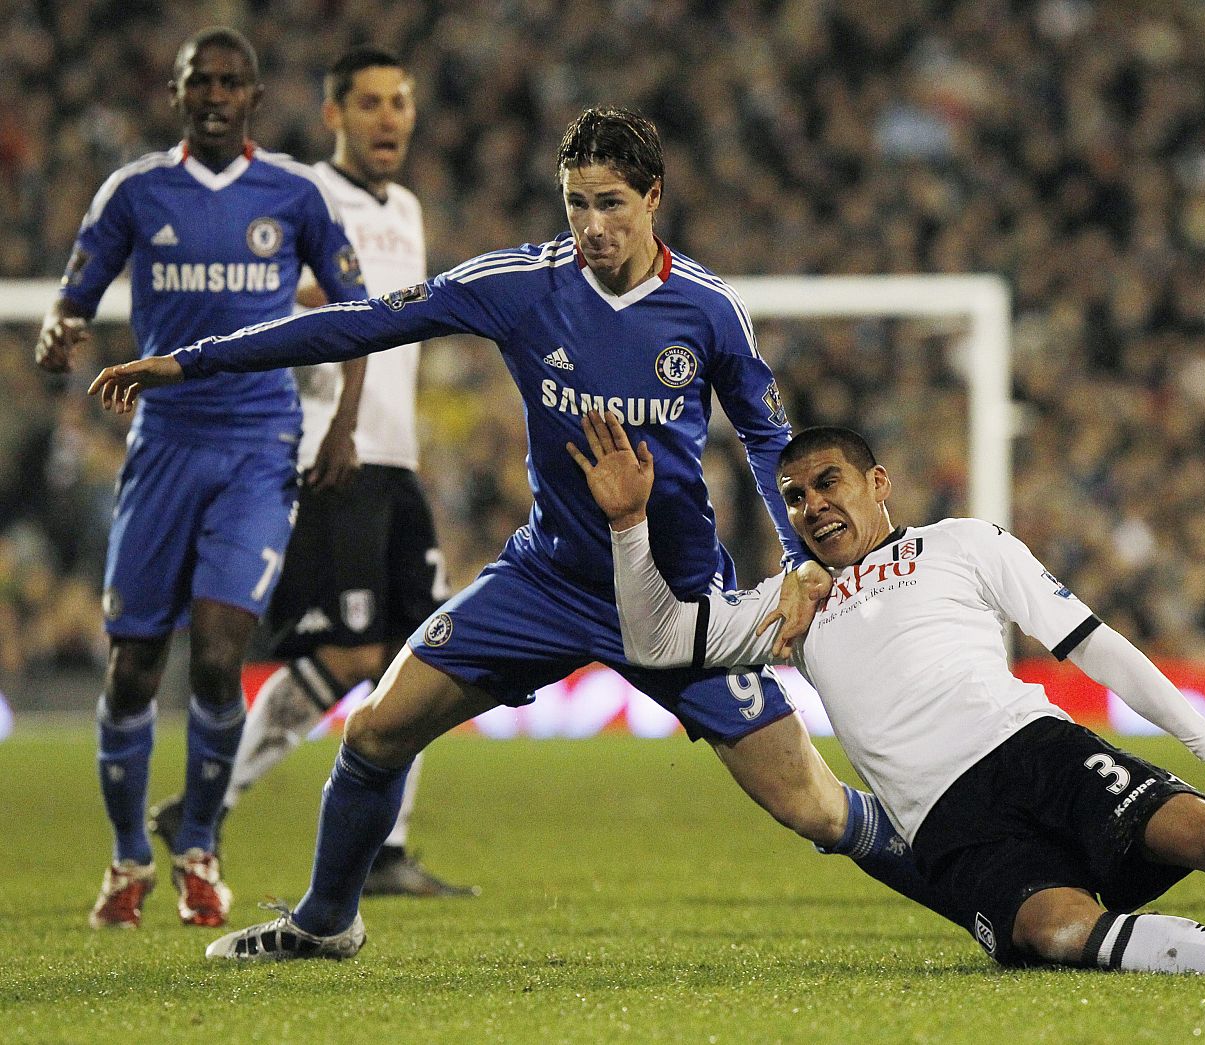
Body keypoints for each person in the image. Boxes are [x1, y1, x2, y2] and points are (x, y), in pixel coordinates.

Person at [90, 107, 954, 961]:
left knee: (813, 805)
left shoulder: (708, 310)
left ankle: (985, 890)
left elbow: (770, 442)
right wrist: (192, 359)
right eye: (576, 203)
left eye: (611, 203)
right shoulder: (518, 285)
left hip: (677, 599)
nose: (592, 226)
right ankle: (324, 922)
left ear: (654, 197)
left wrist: (804, 563)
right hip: (548, 582)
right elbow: (357, 321)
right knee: (374, 732)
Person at [577, 413, 1205, 973]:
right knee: (1049, 933)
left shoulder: (963, 542)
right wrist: (626, 526)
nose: (812, 506)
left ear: (876, 483)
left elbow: (1089, 641)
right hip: (947, 822)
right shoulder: (791, 601)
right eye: (792, 498)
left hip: (1034, 751)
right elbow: (653, 639)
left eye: (826, 482)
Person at [37, 27, 369, 931]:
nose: (215, 95)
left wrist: (341, 422)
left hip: (261, 445)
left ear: (255, 96)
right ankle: (124, 859)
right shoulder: (135, 192)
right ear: (178, 94)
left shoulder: (293, 194)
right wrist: (62, 328)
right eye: (200, 82)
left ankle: (198, 848)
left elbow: (359, 316)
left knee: (222, 656)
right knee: (135, 662)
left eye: (231, 82)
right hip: (164, 445)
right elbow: (77, 290)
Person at [146, 45, 474, 899]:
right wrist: (308, 305)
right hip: (327, 451)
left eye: (400, 102)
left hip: (394, 456)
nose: (388, 118)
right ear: (333, 115)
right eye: (368, 103)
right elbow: (245, 301)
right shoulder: (297, 197)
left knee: (417, 651)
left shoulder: (404, 205)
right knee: (351, 647)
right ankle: (206, 806)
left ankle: (387, 849)